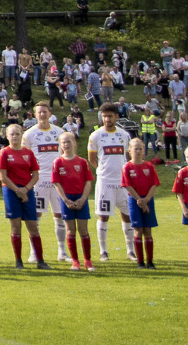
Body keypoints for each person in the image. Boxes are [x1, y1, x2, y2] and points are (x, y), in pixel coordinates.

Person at [0, 122, 47, 269]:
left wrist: (26, 189)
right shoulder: (4, 153)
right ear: (7, 136)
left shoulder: (28, 153)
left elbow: (35, 175)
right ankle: (19, 261)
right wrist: (18, 191)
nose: (15, 136)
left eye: (17, 133)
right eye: (12, 134)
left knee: (33, 226)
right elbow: (2, 177)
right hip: (11, 192)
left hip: (27, 191)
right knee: (16, 227)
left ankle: (40, 261)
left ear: (22, 135)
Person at [88, 103, 136, 264]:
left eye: (110, 116)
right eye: (104, 116)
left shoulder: (124, 135)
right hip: (105, 182)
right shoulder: (95, 136)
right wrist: (102, 171)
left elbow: (128, 158)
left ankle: (130, 250)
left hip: (123, 183)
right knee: (103, 216)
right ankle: (103, 251)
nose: (107, 119)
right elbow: (92, 159)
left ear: (116, 116)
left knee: (128, 215)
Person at [23, 103, 70, 257]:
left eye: (44, 111)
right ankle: (34, 252)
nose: (42, 114)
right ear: (35, 115)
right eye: (39, 112)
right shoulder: (29, 134)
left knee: (60, 214)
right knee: (36, 216)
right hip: (39, 179)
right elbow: (26, 158)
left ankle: (62, 251)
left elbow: (66, 155)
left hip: (58, 180)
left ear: (50, 113)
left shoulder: (60, 132)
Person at [50, 133, 95, 270]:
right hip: (66, 199)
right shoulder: (57, 162)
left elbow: (88, 182)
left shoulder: (82, 162)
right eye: (63, 142)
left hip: (81, 197)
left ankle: (88, 261)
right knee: (70, 231)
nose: (66, 144)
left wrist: (83, 198)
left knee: (83, 230)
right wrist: (65, 200)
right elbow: (57, 183)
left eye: (69, 142)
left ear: (74, 143)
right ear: (60, 145)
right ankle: (75, 261)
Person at [121, 137, 160, 269]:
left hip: (148, 200)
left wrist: (146, 200)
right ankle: (140, 262)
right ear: (129, 150)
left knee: (148, 230)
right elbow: (127, 185)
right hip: (134, 201)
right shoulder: (127, 167)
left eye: (140, 149)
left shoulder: (149, 166)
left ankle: (150, 261)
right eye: (135, 149)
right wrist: (140, 200)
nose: (138, 151)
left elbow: (155, 184)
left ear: (143, 151)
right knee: (138, 230)